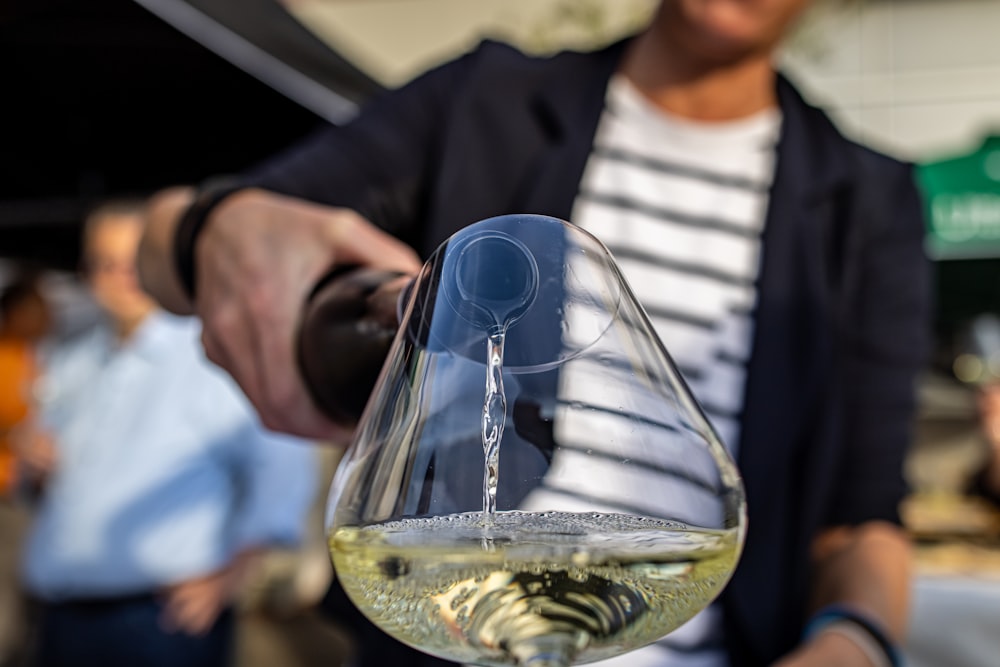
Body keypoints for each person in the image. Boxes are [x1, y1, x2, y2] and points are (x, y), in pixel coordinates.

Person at [138, 1, 931, 666]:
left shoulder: (867, 203)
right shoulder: (488, 103)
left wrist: (852, 642)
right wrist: (208, 231)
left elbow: (863, 515)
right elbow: (168, 248)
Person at [19, 200, 318, 667]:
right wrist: (35, 469)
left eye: (133, 262)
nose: (121, 278)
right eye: (105, 264)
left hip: (161, 620)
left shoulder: (211, 353)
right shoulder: (75, 358)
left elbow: (282, 462)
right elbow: (53, 478)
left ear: (159, 266)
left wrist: (234, 574)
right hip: (63, 613)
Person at [0, 273, 52, 667]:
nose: (47, 314)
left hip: (36, 494)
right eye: (35, 306)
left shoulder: (40, 356)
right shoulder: (5, 357)